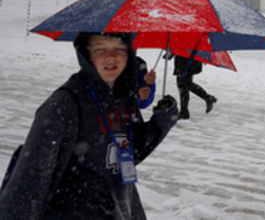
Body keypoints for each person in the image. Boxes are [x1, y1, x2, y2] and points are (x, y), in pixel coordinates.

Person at [0, 32, 178, 218]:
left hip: (120, 208)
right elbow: (29, 181)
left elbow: (131, 152)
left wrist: (163, 120)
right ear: (86, 53)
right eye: (100, 49)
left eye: (119, 49)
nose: (111, 57)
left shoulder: (124, 97)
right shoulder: (63, 104)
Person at [172, 53, 217, 120]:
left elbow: (184, 47)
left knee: (183, 84)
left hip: (186, 60)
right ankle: (184, 111)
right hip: (188, 60)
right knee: (185, 84)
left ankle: (184, 111)